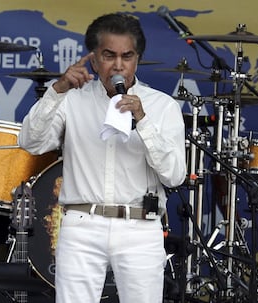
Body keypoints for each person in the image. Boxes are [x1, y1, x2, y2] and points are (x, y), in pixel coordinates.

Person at [18, 13, 186, 303]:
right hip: (82, 223)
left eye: (127, 56)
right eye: (109, 56)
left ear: (137, 59)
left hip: (140, 227)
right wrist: (56, 91)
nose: (118, 65)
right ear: (94, 60)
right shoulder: (72, 98)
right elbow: (30, 143)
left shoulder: (162, 106)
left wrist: (143, 121)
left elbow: (175, 175)